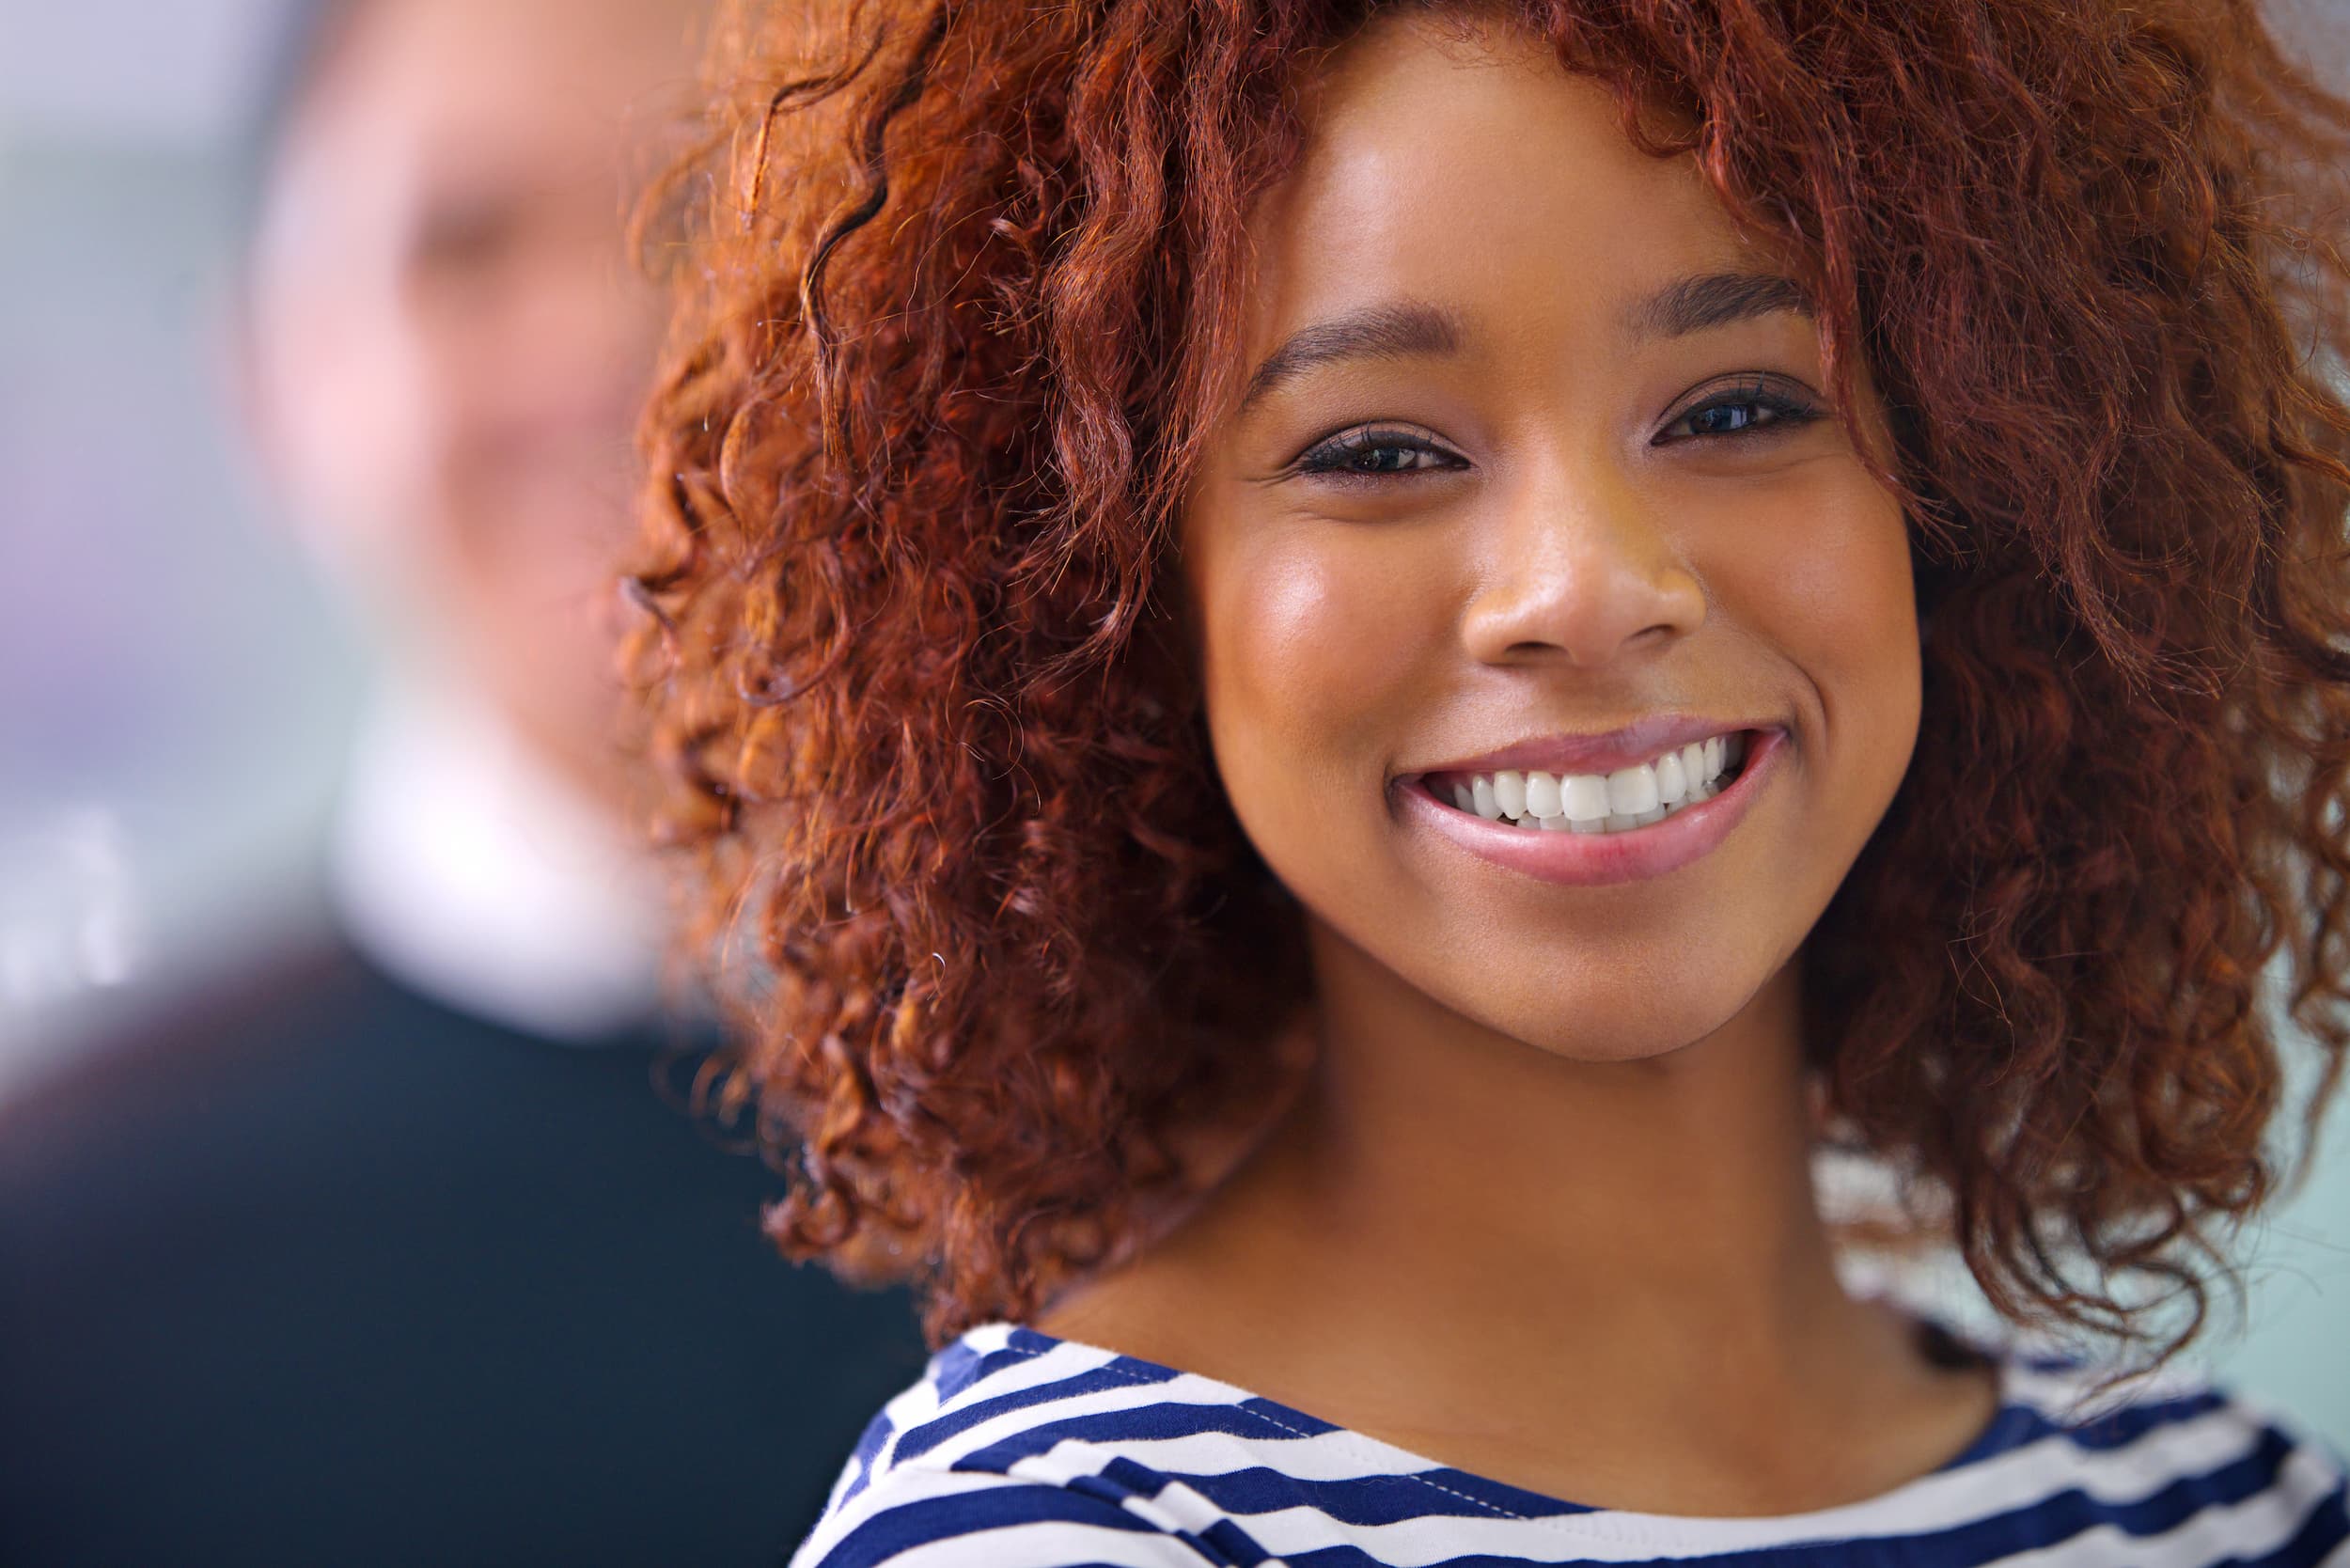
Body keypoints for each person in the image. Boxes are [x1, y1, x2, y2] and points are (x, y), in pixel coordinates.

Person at [623, 0, 2350, 1561]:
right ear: (1115, 610)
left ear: (1982, 503)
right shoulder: (1061, 1543)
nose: (1589, 586)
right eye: (1378, 450)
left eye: (1740, 410)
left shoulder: (2232, 1515)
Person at [0, 1, 925, 1563]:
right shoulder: (51, 1264)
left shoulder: (1235, 1132)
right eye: (465, 245)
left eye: (706, 212)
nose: (613, 347)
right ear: (268, 383)